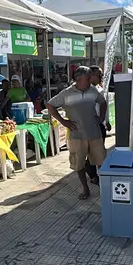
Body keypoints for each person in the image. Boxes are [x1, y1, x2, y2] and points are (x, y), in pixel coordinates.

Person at [46, 66, 108, 200]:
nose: (91, 79)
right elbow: (50, 105)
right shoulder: (66, 93)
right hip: (77, 135)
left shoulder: (93, 90)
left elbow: (103, 102)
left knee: (101, 161)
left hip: (95, 133)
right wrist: (63, 121)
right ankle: (85, 189)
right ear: (79, 79)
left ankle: (104, 187)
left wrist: (102, 117)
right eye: (88, 77)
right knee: (78, 163)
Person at [83, 66, 110, 184]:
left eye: (102, 75)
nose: (101, 78)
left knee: (99, 151)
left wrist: (106, 121)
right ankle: (94, 175)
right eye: (99, 75)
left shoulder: (101, 90)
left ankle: (97, 174)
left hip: (99, 125)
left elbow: (105, 106)